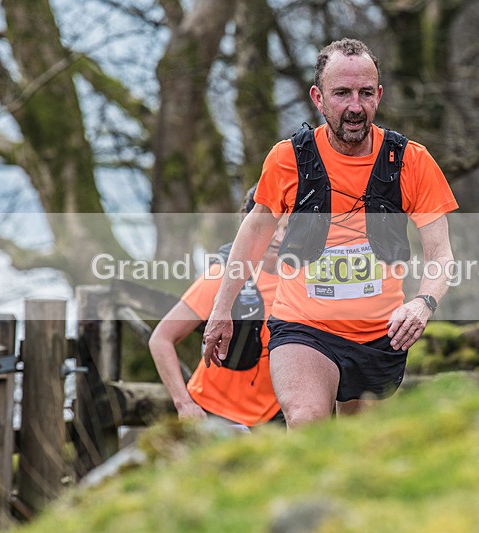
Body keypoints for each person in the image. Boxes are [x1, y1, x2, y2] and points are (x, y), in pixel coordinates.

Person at [203, 38, 457, 428]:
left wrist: (422, 304)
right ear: (318, 98)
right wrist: (222, 310)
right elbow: (252, 234)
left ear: (379, 96)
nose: (355, 106)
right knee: (307, 420)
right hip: (303, 325)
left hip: (379, 334)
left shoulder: (411, 161)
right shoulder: (288, 158)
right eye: (342, 94)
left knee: (362, 445)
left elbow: (441, 255)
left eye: (365, 93)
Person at [149, 186, 287, 427]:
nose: (279, 237)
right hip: (213, 412)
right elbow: (160, 339)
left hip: (276, 415)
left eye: (288, 227)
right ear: (250, 224)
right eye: (272, 226)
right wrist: (184, 404)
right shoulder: (222, 276)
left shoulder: (302, 278)